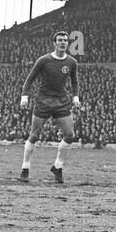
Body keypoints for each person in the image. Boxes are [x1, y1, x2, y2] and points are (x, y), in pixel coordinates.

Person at [19, 31, 81, 184]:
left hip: (61, 101)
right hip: (44, 100)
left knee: (69, 135)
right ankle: (25, 167)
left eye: (65, 41)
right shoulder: (44, 60)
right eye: (60, 40)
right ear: (54, 43)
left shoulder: (72, 62)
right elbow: (30, 79)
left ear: (68, 43)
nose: (63, 43)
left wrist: (75, 97)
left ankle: (57, 166)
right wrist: (24, 96)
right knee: (34, 136)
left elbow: (74, 82)